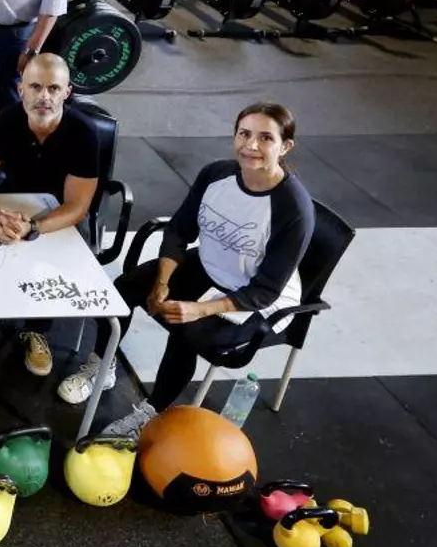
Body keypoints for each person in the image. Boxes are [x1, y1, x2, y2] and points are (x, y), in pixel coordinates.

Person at [86, 104, 314, 439]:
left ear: (285, 146)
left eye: (266, 138)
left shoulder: (293, 209)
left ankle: (151, 413)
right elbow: (179, 230)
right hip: (210, 265)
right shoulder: (217, 174)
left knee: (186, 332)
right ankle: (101, 366)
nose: (251, 145)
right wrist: (162, 282)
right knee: (125, 287)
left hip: (255, 296)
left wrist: (199, 309)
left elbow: (266, 289)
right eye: (244, 134)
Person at [0, 54, 99, 377]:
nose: (44, 96)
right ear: (21, 88)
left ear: (67, 92)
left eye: (53, 88)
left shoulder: (83, 132)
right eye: (35, 87)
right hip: (15, 202)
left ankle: (37, 329)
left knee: (47, 266)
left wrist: (34, 228)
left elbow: (77, 207)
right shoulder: (8, 121)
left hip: (59, 212)